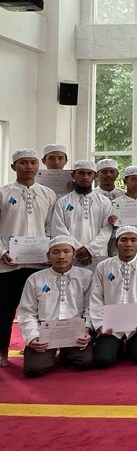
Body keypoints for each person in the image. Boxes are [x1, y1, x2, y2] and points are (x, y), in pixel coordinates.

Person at [0, 149, 58, 367]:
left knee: (42, 307)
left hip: (39, 263)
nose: (29, 167)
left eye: (33, 162)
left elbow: (50, 227)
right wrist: (2, 252)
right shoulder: (3, 193)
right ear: (14, 166)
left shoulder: (48, 194)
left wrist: (49, 250)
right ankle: (2, 350)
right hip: (9, 264)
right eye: (23, 163)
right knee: (5, 309)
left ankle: (37, 346)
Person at [17, 236, 93, 377]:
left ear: (74, 254)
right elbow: (26, 311)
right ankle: (51, 355)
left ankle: (66, 353)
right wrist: (33, 337)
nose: (61, 256)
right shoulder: (35, 279)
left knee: (85, 362)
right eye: (56, 252)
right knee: (34, 369)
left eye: (66, 251)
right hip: (44, 332)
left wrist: (86, 329)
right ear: (48, 256)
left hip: (75, 331)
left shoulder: (86, 276)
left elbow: (91, 307)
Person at [90, 226, 137, 368]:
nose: (128, 244)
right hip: (111, 326)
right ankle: (119, 345)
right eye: (124, 240)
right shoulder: (103, 266)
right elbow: (96, 297)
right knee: (103, 360)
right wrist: (100, 324)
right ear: (116, 243)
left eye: (133, 240)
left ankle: (129, 344)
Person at [50, 160, 113, 269]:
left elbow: (106, 230)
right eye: (81, 173)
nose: (85, 177)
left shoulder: (104, 202)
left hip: (98, 255)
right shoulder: (63, 201)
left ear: (95, 175)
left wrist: (89, 250)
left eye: (89, 173)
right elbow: (58, 229)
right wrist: (78, 250)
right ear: (73, 175)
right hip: (71, 256)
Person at [109, 165, 137, 256]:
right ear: (125, 181)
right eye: (133, 179)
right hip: (119, 251)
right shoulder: (115, 204)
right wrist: (112, 226)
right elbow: (109, 231)